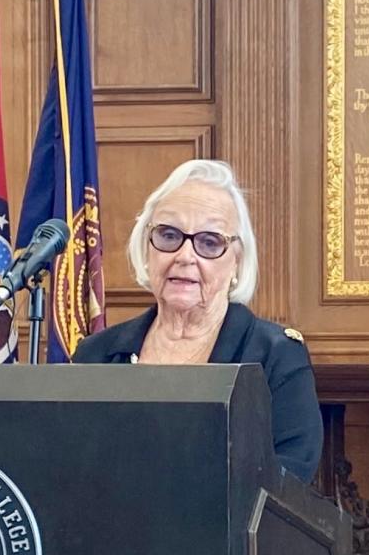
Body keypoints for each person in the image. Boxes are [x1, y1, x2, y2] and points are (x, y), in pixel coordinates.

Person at [72, 159, 323, 484]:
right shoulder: (96, 355)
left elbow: (290, 483)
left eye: (209, 242)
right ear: (146, 249)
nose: (185, 256)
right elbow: (70, 469)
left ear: (237, 262)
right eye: (168, 235)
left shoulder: (275, 355)